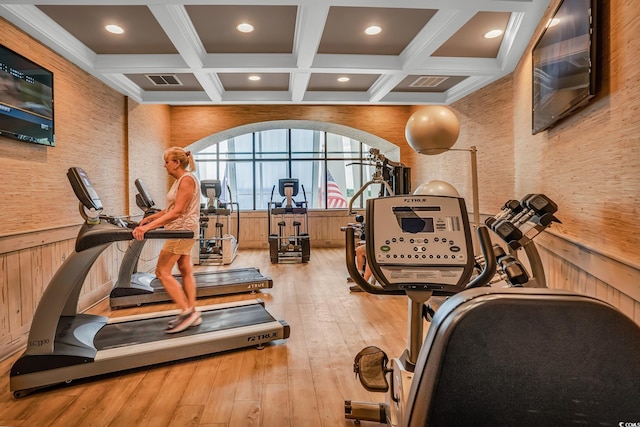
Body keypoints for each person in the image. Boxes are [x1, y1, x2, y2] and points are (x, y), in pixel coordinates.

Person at [132, 146, 202, 333]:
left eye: (167, 161)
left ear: (176, 163)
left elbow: (177, 212)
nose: (164, 165)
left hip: (181, 231)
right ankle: (192, 311)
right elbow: (172, 208)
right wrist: (152, 218)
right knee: (185, 270)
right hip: (183, 229)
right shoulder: (182, 180)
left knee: (162, 272)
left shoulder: (186, 180)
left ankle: (187, 312)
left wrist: (146, 228)